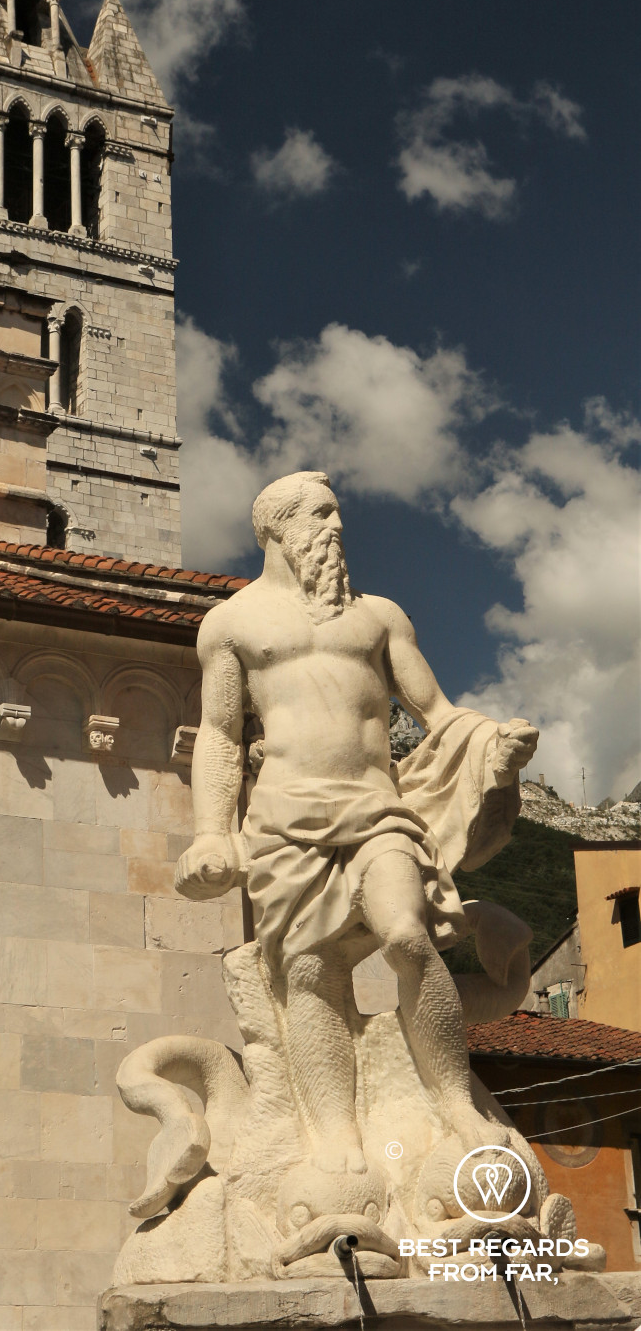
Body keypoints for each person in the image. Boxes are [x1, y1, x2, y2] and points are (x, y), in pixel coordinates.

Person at [175, 471, 537, 1175]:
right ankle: (333, 1134)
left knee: (406, 933)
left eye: (338, 514)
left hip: (379, 810)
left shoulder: (380, 617)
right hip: (282, 821)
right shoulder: (232, 624)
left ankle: (453, 1101)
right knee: (310, 974)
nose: (336, 528)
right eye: (320, 514)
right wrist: (211, 832)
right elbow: (218, 734)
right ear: (277, 529)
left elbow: (438, 712)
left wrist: (494, 744)